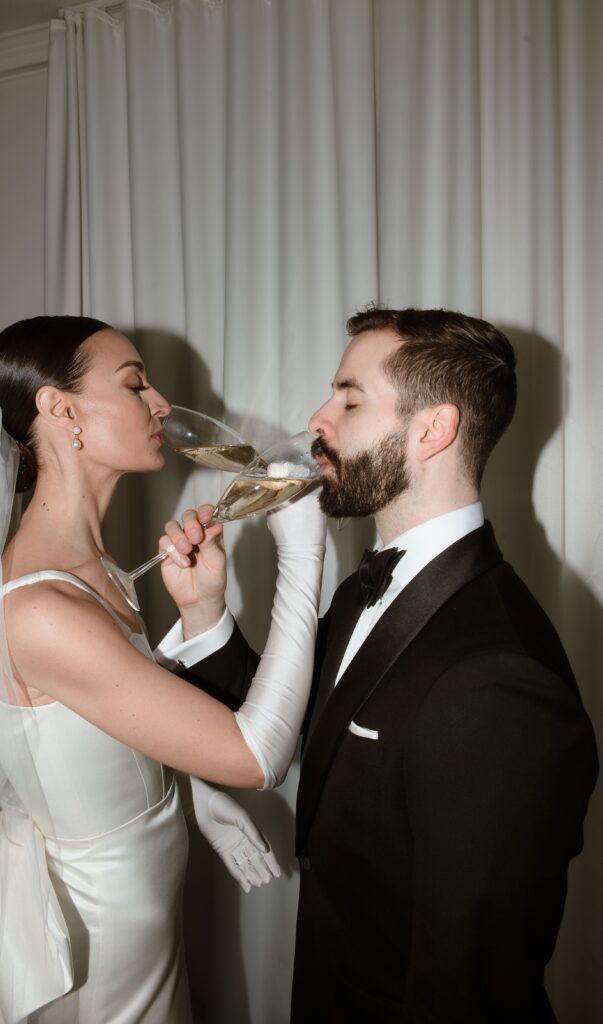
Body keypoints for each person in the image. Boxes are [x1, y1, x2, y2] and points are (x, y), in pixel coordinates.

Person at [160, 306, 598, 1022]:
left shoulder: (499, 678)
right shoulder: (371, 589)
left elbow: (468, 986)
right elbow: (290, 720)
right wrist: (205, 612)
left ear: (433, 430)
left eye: (350, 399)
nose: (317, 419)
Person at [0, 316, 326, 1024]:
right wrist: (302, 556)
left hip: (144, 918)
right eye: (136, 385)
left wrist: (200, 614)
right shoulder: (38, 609)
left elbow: (102, 720)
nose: (161, 404)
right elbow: (259, 757)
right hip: (98, 944)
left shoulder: (98, 569)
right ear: (60, 409)